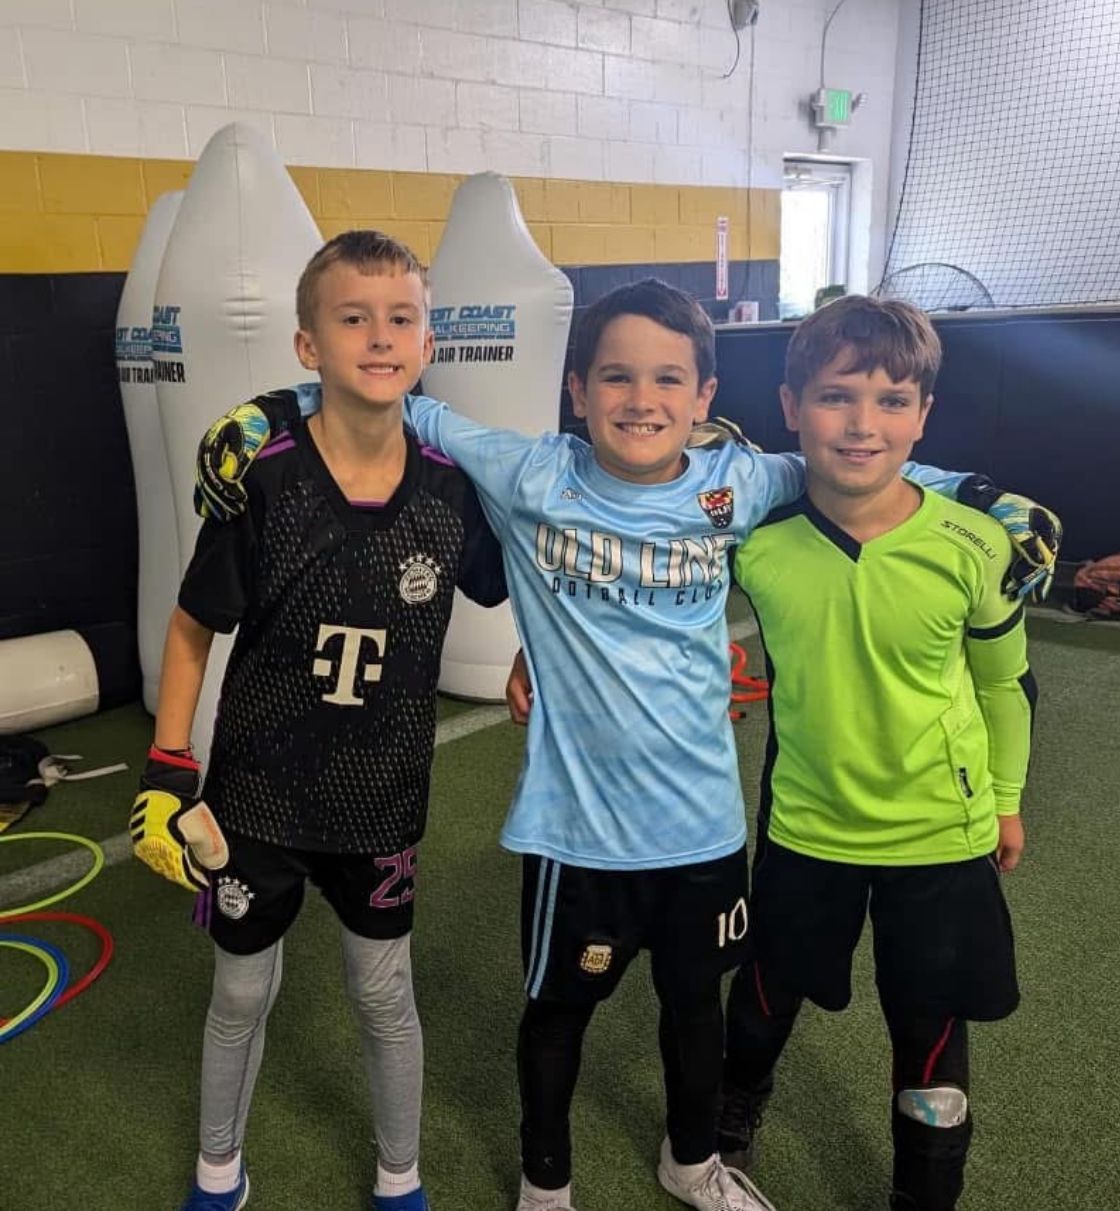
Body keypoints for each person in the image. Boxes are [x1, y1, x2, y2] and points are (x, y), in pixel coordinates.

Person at [191, 277, 1058, 1211]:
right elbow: (409, 404)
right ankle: (544, 1183)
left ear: (704, 398)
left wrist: (976, 493)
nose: (641, 400)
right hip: (578, 831)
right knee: (559, 1014)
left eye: (667, 381)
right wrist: (277, 407)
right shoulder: (530, 473)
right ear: (577, 392)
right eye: (615, 378)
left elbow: (849, 460)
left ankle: (692, 1161)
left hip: (706, 830)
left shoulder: (742, 484)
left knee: (696, 1010)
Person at [129, 230, 507, 1211]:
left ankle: (400, 1175)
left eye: (400, 317)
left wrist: (533, 652)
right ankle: (220, 1170)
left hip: (382, 800)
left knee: (384, 993)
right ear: (308, 346)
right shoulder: (263, 480)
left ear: (427, 343)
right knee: (241, 992)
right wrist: (171, 765)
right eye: (352, 317)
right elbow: (190, 625)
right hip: (256, 795)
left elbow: (523, 585)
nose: (379, 337)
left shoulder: (452, 489)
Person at [715, 295, 1036, 1211]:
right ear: (790, 405)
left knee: (930, 1019)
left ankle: (925, 1189)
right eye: (836, 396)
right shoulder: (758, 542)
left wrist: (1005, 798)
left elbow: (1005, 684)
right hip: (808, 822)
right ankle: (736, 1105)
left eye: (893, 400)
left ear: (923, 415)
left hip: (944, 833)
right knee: (770, 986)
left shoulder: (973, 544)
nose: (863, 424)